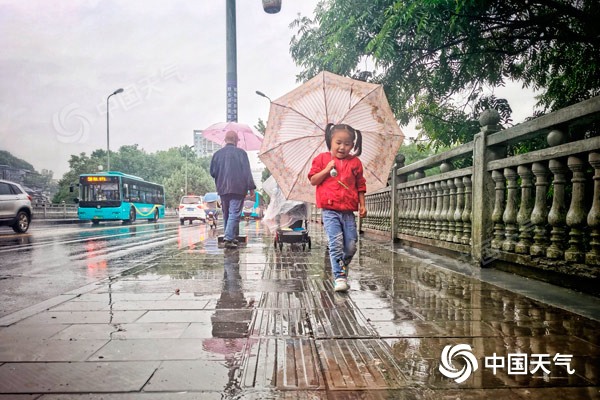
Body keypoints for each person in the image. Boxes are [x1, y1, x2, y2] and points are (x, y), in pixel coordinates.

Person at [308, 123, 367, 292]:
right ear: (330, 141)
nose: (342, 147)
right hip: (330, 210)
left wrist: (362, 205)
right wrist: (327, 170)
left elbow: (361, 186)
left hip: (348, 212)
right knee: (336, 243)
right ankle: (339, 276)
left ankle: (341, 266)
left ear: (353, 145)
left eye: (347, 144)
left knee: (351, 246)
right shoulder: (321, 159)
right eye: (338, 142)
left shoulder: (355, 163)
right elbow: (313, 180)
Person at [210, 130, 256, 249]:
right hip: (238, 188)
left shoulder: (217, 154)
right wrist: (251, 187)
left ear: (225, 140)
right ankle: (229, 238)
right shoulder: (241, 154)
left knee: (227, 214)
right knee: (234, 213)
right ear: (236, 140)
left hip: (222, 188)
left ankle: (231, 236)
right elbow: (247, 172)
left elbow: (212, 172)